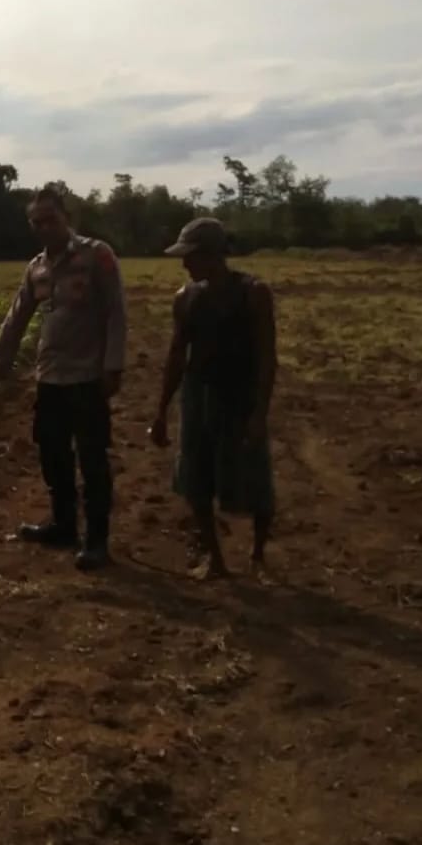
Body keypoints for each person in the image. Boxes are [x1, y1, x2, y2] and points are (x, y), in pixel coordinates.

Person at [0, 186, 127, 569]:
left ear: (66, 218)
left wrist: (113, 366)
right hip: (51, 377)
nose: (44, 227)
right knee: (52, 454)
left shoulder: (96, 255)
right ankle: (63, 525)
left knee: (92, 459)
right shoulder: (37, 268)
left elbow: (115, 312)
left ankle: (97, 540)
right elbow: (15, 322)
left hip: (88, 376)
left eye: (50, 219)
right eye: (37, 222)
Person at [149, 216, 277, 579]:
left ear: (212, 254)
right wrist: (161, 411)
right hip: (198, 395)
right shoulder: (185, 298)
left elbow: (267, 357)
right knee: (196, 477)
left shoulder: (253, 294)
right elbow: (177, 355)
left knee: (254, 477)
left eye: (189, 256)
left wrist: (259, 413)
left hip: (239, 396)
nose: (184, 264)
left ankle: (258, 555)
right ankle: (215, 559)